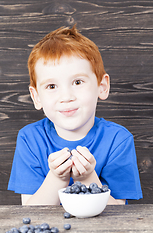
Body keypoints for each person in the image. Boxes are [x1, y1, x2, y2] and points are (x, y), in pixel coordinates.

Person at [8, 25, 143, 205]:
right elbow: (31, 212)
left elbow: (119, 213)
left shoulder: (118, 140)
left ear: (101, 87)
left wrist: (88, 178)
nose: (66, 97)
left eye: (77, 82)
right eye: (52, 86)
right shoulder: (30, 139)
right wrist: (57, 177)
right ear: (36, 97)